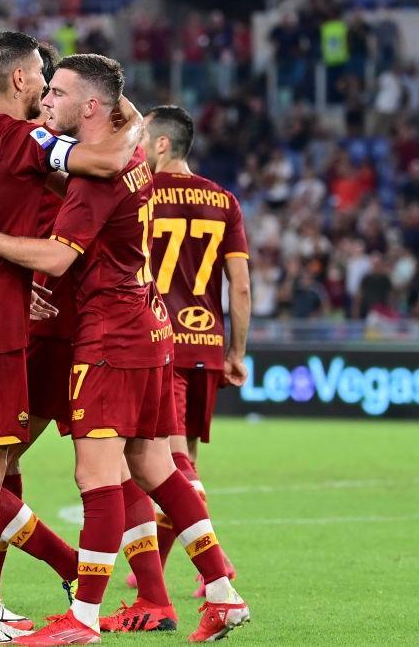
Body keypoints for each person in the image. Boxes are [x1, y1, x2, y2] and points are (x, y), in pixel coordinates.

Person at [0, 55, 249, 644]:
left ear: (89, 108)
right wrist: (123, 113)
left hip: (109, 334)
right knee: (156, 466)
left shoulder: (94, 177)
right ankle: (221, 588)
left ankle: (81, 619)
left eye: (57, 92)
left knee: (97, 477)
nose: (46, 100)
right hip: (151, 324)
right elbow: (124, 111)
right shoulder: (128, 152)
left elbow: (59, 258)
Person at [0, 33, 145, 644]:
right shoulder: (27, 138)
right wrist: (137, 118)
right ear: (19, 80)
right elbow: (107, 162)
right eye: (42, 76)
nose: (45, 89)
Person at [124, 104, 251, 603]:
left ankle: (215, 566)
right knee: (181, 460)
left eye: (142, 138)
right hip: (208, 344)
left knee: (167, 462)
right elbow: (239, 287)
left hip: (160, 341)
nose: (135, 146)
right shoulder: (224, 200)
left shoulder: (143, 193)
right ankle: (156, 566)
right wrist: (236, 351)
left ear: (161, 144)